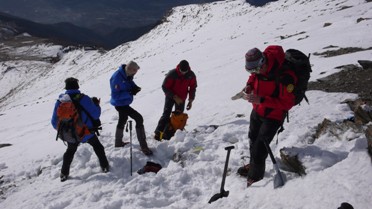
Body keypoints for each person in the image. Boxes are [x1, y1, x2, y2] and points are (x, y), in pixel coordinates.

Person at [237, 46, 297, 187]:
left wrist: (262, 100)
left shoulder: (284, 76)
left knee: (260, 148)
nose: (255, 73)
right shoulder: (258, 68)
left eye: (256, 70)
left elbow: (287, 103)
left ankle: (255, 178)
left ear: (263, 62)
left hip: (273, 116)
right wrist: (249, 86)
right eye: (251, 70)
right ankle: (254, 166)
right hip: (258, 110)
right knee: (253, 140)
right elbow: (253, 77)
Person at [51, 77, 109, 182]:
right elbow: (95, 115)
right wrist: (96, 105)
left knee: (70, 151)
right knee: (98, 147)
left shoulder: (60, 101)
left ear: (66, 88)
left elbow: (54, 122)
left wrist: (67, 131)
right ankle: (105, 167)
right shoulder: (84, 98)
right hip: (86, 132)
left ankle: (64, 174)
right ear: (77, 86)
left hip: (70, 135)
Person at [110, 61, 153, 155]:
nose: (135, 73)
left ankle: (118, 143)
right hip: (120, 104)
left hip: (124, 102)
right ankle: (144, 146)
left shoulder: (126, 74)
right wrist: (129, 92)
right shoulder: (116, 78)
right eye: (135, 71)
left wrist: (134, 87)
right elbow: (115, 96)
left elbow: (129, 82)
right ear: (130, 69)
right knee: (139, 118)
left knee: (123, 119)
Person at [154, 60, 197, 140]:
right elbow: (165, 87)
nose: (183, 73)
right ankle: (158, 134)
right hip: (170, 97)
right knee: (166, 114)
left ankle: (171, 134)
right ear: (179, 68)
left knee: (178, 116)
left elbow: (193, 87)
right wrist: (174, 97)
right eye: (182, 71)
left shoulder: (191, 75)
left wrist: (190, 100)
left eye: (185, 71)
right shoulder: (172, 74)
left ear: (188, 69)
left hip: (182, 98)